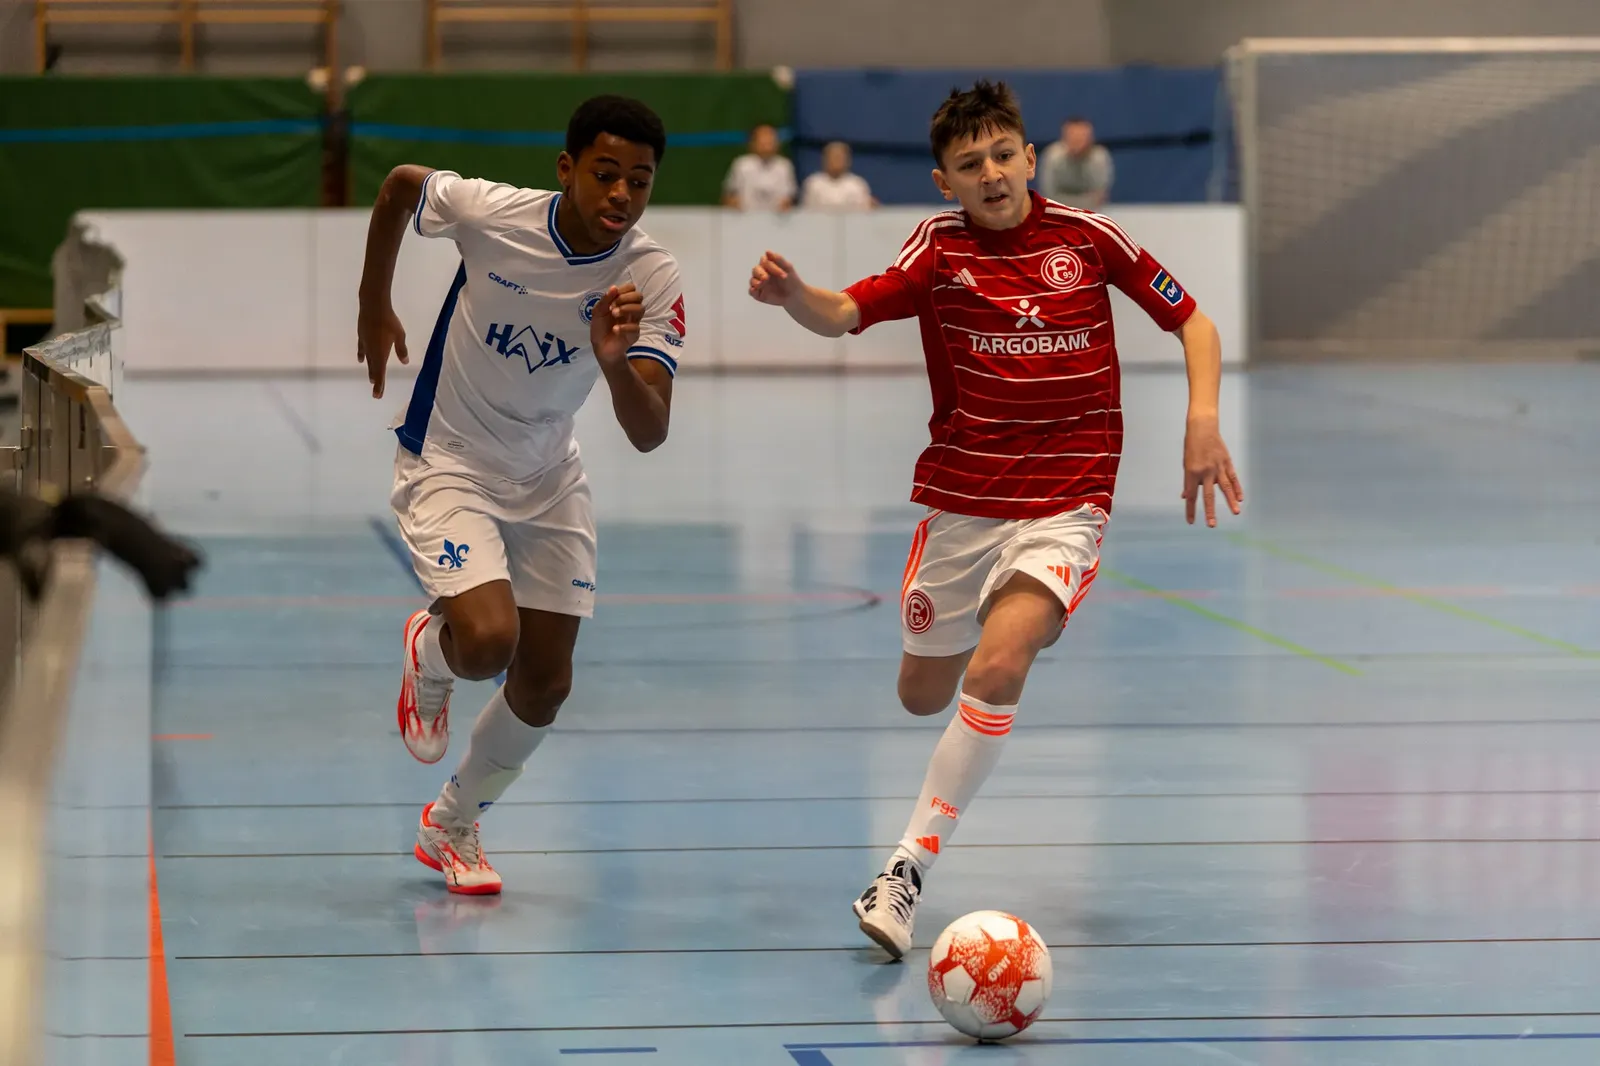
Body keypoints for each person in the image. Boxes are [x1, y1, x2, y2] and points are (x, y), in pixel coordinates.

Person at [746, 80, 1241, 958]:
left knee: (1002, 660)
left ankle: (905, 869)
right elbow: (846, 312)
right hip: (965, 502)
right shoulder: (938, 250)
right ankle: (968, 620)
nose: (993, 174)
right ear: (945, 181)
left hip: (1068, 499)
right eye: (971, 164)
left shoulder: (1089, 239)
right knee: (921, 695)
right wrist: (796, 298)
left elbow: (1195, 323)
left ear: (1030, 158)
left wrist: (1202, 422)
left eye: (1004, 155)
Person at [356, 95, 686, 895]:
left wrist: (613, 360)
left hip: (547, 476)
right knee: (486, 643)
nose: (621, 194)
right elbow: (398, 187)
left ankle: (451, 824)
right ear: (567, 169)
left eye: (639, 180)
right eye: (605, 173)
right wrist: (373, 302)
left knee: (546, 682)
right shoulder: (491, 214)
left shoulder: (650, 275)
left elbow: (649, 432)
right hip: (449, 459)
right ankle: (429, 650)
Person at [1039, 116, 1114, 209]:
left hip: (1091, 211)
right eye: (1073, 135)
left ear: (1090, 137)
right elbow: (1048, 195)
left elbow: (1099, 196)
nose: (1077, 139)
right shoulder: (1052, 157)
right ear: (1064, 137)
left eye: (1081, 136)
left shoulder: (1099, 158)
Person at [722, 123, 797, 212]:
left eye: (770, 139)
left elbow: (789, 197)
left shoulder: (784, 166)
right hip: (746, 217)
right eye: (763, 139)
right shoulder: (742, 165)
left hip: (777, 218)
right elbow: (730, 195)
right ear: (753, 143)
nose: (766, 143)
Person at [800, 141, 877, 211]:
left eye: (839, 157)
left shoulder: (857, 184)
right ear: (824, 160)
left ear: (848, 160)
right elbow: (807, 212)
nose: (836, 161)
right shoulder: (813, 184)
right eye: (833, 157)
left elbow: (865, 213)